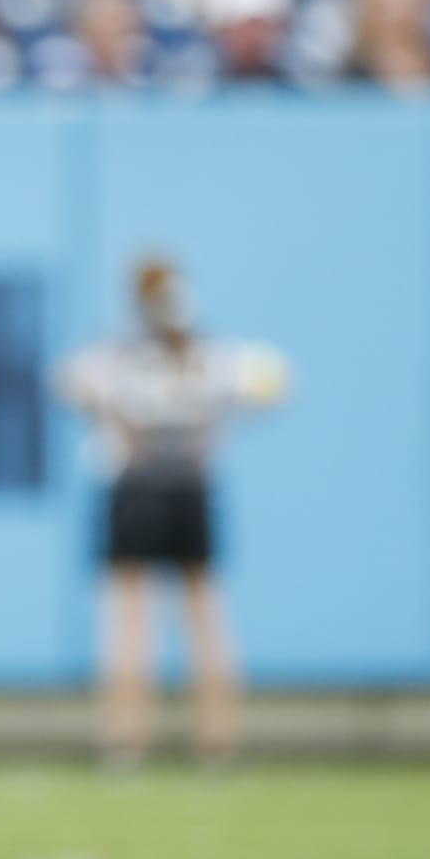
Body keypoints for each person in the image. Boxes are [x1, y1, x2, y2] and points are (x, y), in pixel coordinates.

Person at [55, 256, 287, 768]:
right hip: (191, 487)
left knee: (128, 620)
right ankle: (217, 742)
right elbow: (273, 383)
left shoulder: (116, 354)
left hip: (133, 488)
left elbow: (70, 383)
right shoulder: (214, 356)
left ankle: (125, 742)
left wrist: (115, 413)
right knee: (205, 616)